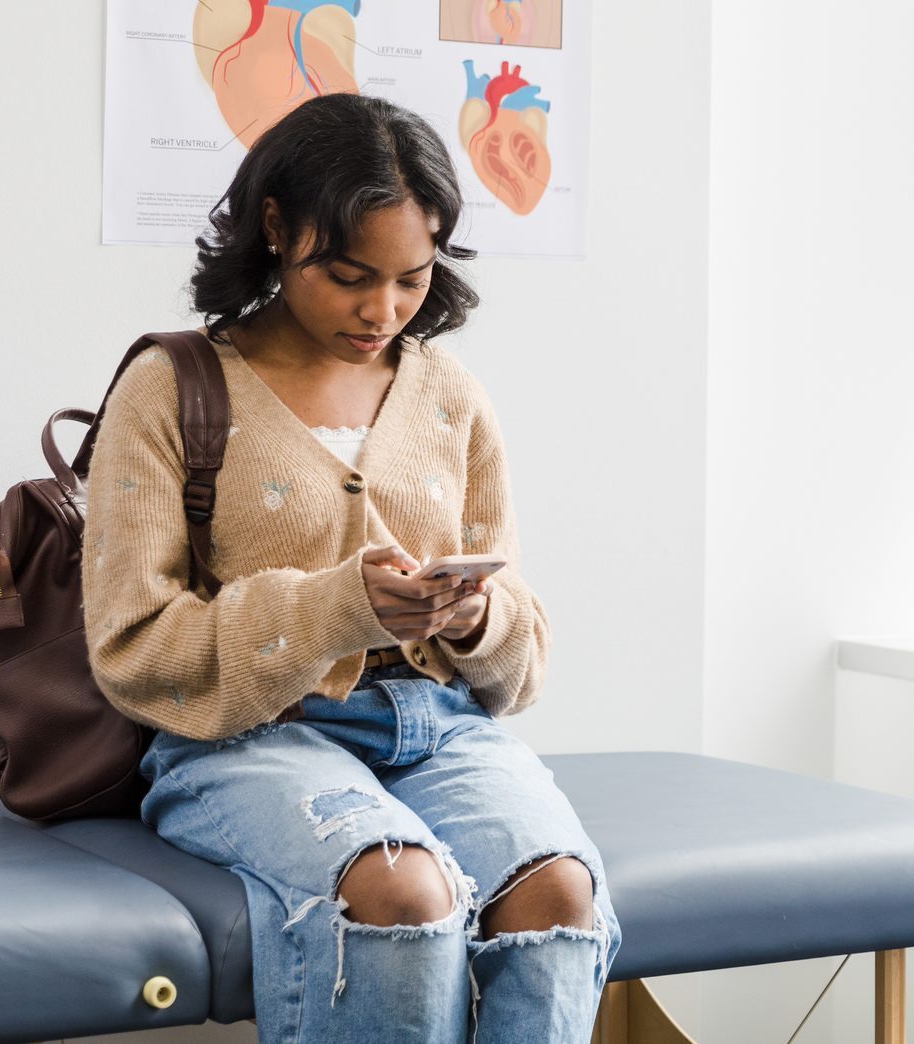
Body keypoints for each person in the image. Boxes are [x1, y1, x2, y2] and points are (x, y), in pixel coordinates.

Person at [82, 92, 620, 1043]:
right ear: (279, 229)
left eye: (412, 278)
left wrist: (469, 618)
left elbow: (523, 662)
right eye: (348, 274)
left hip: (441, 725)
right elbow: (130, 647)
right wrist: (338, 608)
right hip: (246, 739)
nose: (382, 309)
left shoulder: (450, 397)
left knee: (559, 897)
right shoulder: (170, 388)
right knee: (403, 893)